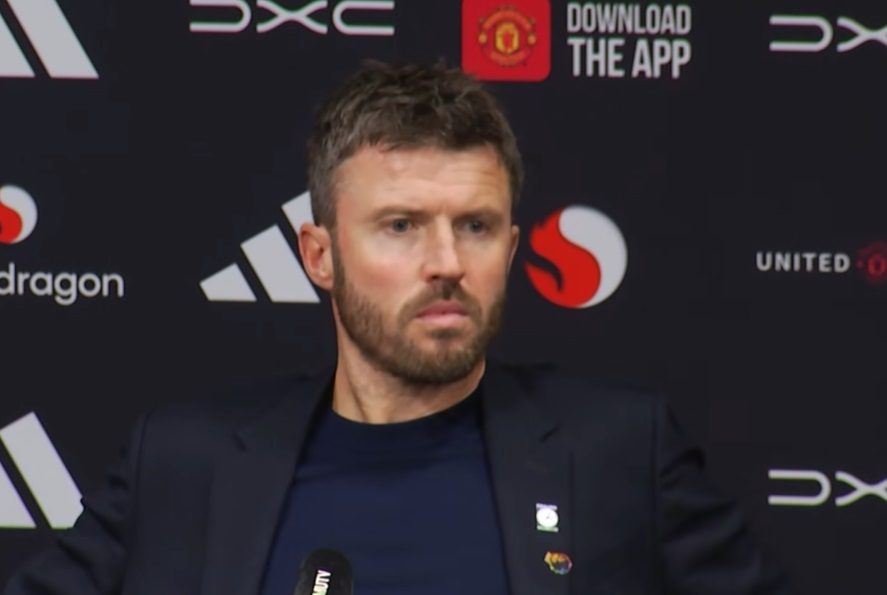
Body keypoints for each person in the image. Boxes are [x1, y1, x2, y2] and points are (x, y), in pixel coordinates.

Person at [5, 61, 791, 595]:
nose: (446, 262)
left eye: (476, 225)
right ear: (319, 255)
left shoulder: (618, 451)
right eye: (401, 225)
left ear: (512, 247)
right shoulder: (181, 462)